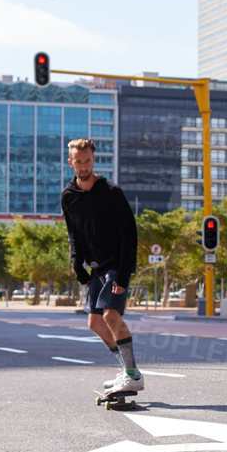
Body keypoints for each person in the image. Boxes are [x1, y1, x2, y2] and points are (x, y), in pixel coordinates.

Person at [60, 138, 142, 395]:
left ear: (93, 160)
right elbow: (73, 234)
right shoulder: (69, 196)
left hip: (115, 265)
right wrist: (77, 267)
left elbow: (130, 235)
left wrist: (123, 276)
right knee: (95, 324)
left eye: (87, 160)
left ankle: (132, 375)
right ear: (70, 162)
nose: (83, 166)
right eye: (78, 161)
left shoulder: (111, 192)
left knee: (110, 315)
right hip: (95, 267)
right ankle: (127, 371)